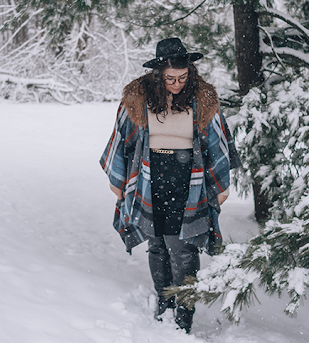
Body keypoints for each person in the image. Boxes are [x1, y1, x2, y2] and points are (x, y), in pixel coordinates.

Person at [99, 38, 241, 333]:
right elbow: (121, 141)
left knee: (184, 249)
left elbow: (219, 143)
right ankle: (164, 304)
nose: (176, 84)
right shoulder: (138, 99)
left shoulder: (203, 100)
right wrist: (121, 181)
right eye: (169, 79)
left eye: (182, 77)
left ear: (190, 72)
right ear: (158, 74)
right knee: (157, 246)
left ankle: (183, 317)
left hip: (188, 184)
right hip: (150, 184)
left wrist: (220, 185)